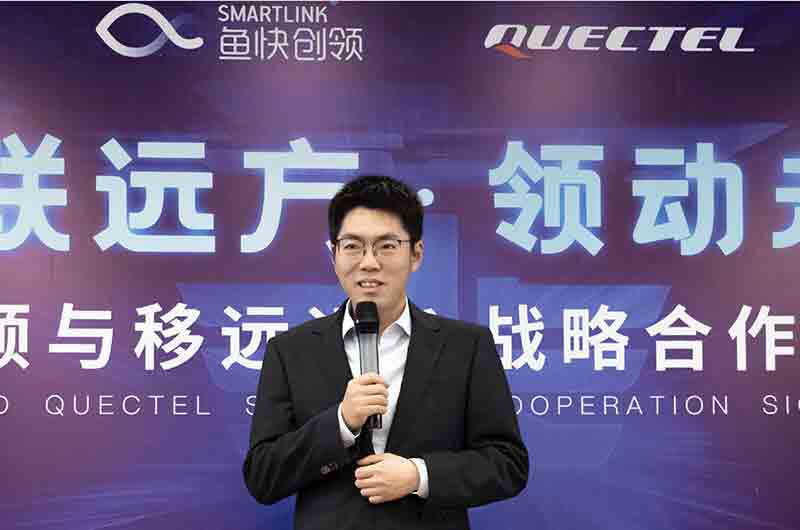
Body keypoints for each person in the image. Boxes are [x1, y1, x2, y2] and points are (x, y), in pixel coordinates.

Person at [243, 175, 528, 529]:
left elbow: (507, 463)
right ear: (333, 255)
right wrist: (341, 423)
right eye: (352, 246)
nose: (369, 262)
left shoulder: (466, 346)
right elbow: (263, 476)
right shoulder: (290, 351)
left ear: (416, 254)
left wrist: (418, 475)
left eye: (386, 246)